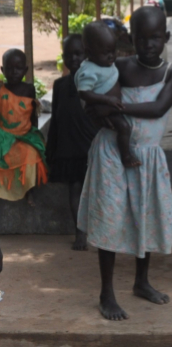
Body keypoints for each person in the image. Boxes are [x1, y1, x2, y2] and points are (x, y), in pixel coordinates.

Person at [77, 6, 172, 321]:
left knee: (145, 215)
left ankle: (141, 281)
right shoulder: (118, 65)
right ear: (130, 39)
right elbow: (91, 97)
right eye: (141, 38)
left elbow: (158, 107)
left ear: (165, 37)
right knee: (109, 217)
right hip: (111, 152)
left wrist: (117, 109)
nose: (148, 45)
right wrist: (97, 109)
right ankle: (106, 293)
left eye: (155, 38)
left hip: (147, 156)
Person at [47, 34, 98, 250]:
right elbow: (56, 121)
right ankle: (80, 233)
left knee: (96, 191)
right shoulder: (60, 85)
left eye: (78, 53)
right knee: (75, 190)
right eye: (68, 54)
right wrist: (51, 151)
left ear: (86, 55)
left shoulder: (96, 83)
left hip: (91, 147)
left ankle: (99, 232)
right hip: (69, 149)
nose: (73, 58)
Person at [75, 22, 139, 168]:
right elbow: (84, 92)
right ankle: (126, 156)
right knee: (123, 126)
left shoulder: (103, 63)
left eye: (113, 51)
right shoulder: (89, 70)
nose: (111, 56)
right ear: (89, 53)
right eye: (106, 53)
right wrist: (107, 100)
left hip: (111, 105)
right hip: (104, 108)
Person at [0, 49, 47, 204]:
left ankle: (29, 190)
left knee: (31, 153)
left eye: (18, 68)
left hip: (25, 135)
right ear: (2, 70)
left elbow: (33, 116)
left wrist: (35, 135)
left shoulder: (29, 89)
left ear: (26, 70)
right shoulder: (1, 89)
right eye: (9, 68)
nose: (14, 72)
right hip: (4, 135)